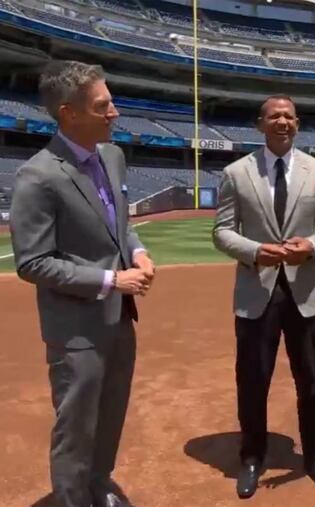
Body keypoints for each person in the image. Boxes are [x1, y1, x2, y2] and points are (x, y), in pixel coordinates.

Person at [9, 60, 154, 507]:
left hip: (118, 319)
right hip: (75, 329)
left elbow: (119, 225)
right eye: (103, 105)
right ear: (70, 113)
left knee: (110, 415)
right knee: (75, 427)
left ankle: (98, 484)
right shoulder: (37, 176)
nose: (115, 113)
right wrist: (112, 279)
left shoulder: (112, 155)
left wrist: (139, 251)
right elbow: (33, 263)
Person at [212, 94, 315, 499]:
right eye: (274, 116)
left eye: (288, 116)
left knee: (312, 381)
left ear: (297, 123)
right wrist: (254, 251)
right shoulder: (236, 172)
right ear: (260, 124)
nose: (282, 121)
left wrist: (312, 247)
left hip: (305, 290)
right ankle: (252, 457)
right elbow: (221, 231)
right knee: (253, 380)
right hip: (257, 290)